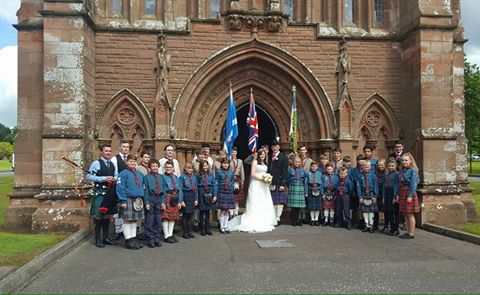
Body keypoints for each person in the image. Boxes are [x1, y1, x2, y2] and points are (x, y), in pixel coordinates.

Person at [228, 149, 277, 232]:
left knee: (263, 201)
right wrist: (263, 178)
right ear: (258, 155)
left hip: (264, 185)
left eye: (264, 154)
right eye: (261, 154)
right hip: (256, 184)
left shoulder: (265, 163)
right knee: (255, 201)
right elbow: (253, 174)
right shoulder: (255, 162)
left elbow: (265, 172)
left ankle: (264, 219)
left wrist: (267, 178)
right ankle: (253, 219)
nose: (262, 156)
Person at [86, 144, 118, 248]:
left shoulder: (112, 164)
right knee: (99, 216)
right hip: (100, 192)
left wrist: (114, 178)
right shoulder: (96, 163)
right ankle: (98, 239)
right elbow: (89, 176)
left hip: (110, 193)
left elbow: (116, 175)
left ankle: (105, 237)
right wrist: (104, 178)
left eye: (109, 151)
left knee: (107, 216)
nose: (108, 153)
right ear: (102, 152)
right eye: (106, 151)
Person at [116, 155, 150, 250]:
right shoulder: (123, 174)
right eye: (130, 161)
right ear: (127, 162)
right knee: (127, 220)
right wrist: (122, 200)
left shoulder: (140, 174)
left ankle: (133, 238)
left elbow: (143, 186)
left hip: (138, 199)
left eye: (134, 161)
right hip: (127, 199)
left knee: (134, 220)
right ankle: (128, 240)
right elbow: (119, 188)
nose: (132, 163)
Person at [143, 159, 165, 248]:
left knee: (158, 220)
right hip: (151, 198)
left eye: (156, 166)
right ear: (150, 167)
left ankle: (157, 238)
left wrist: (163, 202)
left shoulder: (161, 177)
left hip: (159, 198)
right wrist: (146, 202)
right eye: (153, 166)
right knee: (150, 220)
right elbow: (145, 190)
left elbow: (164, 190)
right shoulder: (146, 177)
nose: (155, 168)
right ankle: (150, 239)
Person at [398, 153, 420, 239]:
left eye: (406, 160)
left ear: (410, 161)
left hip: (409, 192)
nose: (404, 162)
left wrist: (410, 196)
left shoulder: (413, 171)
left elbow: (414, 184)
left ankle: (411, 233)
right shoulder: (402, 170)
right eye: (402, 160)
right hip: (402, 191)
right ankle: (407, 232)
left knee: (410, 213)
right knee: (405, 213)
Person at [111, 140, 130, 240]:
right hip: (119, 186)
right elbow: (115, 173)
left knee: (126, 210)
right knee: (118, 210)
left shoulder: (130, 159)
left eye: (127, 147)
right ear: (120, 148)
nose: (126, 148)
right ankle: (118, 231)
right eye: (124, 147)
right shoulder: (115, 159)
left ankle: (125, 229)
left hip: (128, 188)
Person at [161, 160, 184, 243]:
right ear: (164, 168)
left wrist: (180, 201)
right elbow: (162, 191)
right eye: (166, 167)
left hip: (175, 198)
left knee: (172, 218)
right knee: (165, 218)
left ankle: (170, 235)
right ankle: (166, 236)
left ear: (173, 168)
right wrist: (162, 202)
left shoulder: (176, 177)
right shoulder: (162, 177)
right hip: (167, 198)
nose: (168, 169)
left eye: (170, 167)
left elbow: (180, 190)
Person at [268, 140, 289, 225]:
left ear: (279, 147)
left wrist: (283, 184)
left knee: (279, 202)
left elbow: (284, 172)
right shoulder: (269, 157)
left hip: (279, 183)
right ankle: (273, 217)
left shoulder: (283, 157)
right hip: (270, 182)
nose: (275, 148)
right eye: (273, 147)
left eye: (276, 146)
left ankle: (278, 218)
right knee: (273, 202)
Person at [356, 160, 379, 233]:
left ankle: (371, 225)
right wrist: (360, 197)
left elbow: (376, 186)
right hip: (363, 194)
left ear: (370, 167)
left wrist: (375, 196)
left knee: (371, 212)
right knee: (365, 212)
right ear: (362, 167)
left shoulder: (373, 175)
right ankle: (366, 225)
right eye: (365, 167)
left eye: (368, 167)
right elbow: (358, 187)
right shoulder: (360, 175)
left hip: (371, 194)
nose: (366, 168)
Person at [215, 157, 235, 234]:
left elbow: (232, 181)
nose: (225, 165)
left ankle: (226, 226)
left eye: (227, 163)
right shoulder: (218, 171)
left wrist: (233, 186)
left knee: (227, 210)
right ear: (221, 164)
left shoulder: (231, 172)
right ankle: (221, 227)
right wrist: (216, 193)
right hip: (221, 191)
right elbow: (216, 181)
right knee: (222, 210)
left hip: (229, 191)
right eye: (224, 163)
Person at [197, 161, 216, 236]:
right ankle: (202, 229)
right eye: (203, 166)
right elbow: (196, 185)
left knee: (208, 212)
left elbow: (214, 184)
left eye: (206, 165)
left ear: (208, 166)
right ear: (201, 167)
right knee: (202, 212)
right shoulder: (198, 175)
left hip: (209, 191)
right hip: (201, 191)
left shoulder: (211, 174)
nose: (205, 167)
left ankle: (207, 228)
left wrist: (214, 195)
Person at [287, 157, 308, 226]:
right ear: (293, 162)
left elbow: (305, 179)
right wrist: (290, 185)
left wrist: (305, 189)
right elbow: (287, 179)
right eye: (296, 162)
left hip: (300, 187)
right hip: (293, 186)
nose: (297, 163)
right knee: (293, 207)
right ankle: (293, 220)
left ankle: (297, 220)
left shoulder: (302, 170)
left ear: (300, 163)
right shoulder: (290, 170)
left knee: (298, 206)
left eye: (298, 162)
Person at [180, 163, 198, 239]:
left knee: (190, 215)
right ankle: (185, 232)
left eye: (191, 168)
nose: (189, 170)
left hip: (192, 196)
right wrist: (181, 200)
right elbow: (180, 189)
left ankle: (189, 231)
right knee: (185, 215)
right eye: (188, 168)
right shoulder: (182, 177)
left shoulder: (194, 177)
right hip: (186, 195)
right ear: (185, 169)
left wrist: (196, 199)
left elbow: (196, 188)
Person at [383, 159, 400, 236]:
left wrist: (395, 196)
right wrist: (383, 197)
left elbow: (397, 186)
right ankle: (391, 227)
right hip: (387, 194)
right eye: (389, 166)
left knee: (394, 213)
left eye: (392, 166)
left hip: (393, 194)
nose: (390, 167)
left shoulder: (397, 174)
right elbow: (384, 187)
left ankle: (395, 229)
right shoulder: (386, 174)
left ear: (396, 166)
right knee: (388, 212)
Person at [230, 147, 245, 217]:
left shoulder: (240, 161)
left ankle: (236, 213)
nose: (233, 153)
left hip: (237, 180)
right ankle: (231, 213)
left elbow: (242, 172)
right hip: (230, 180)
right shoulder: (228, 160)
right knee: (230, 197)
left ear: (237, 153)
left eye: (235, 152)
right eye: (232, 152)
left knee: (237, 199)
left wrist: (242, 181)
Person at [306, 162, 322, 226]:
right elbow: (306, 183)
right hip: (310, 189)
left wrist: (321, 192)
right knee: (312, 206)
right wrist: (306, 192)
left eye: (315, 166)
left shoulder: (320, 174)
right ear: (310, 167)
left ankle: (316, 219)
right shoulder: (308, 173)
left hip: (318, 189)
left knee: (317, 207)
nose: (314, 168)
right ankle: (312, 219)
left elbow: (322, 183)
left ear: (317, 167)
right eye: (313, 166)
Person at [376, 158, 387, 231]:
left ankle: (386, 225)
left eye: (382, 165)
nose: (380, 166)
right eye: (379, 165)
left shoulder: (387, 173)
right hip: (377, 192)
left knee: (385, 210)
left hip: (384, 193)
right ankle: (375, 225)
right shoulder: (376, 173)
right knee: (376, 209)